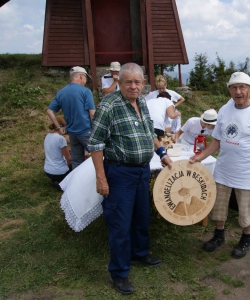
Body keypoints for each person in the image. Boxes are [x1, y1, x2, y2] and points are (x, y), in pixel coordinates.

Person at [87, 63, 173, 295]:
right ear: (120, 82)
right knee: (120, 223)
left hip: (142, 171)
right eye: (128, 82)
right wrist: (101, 178)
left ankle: (139, 253)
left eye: (138, 82)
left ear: (144, 84)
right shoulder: (109, 105)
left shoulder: (142, 103)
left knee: (141, 216)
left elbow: (149, 133)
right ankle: (119, 272)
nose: (133, 86)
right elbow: (95, 144)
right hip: (119, 173)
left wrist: (162, 154)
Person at [189, 72, 250, 259]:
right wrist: (200, 157)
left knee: (246, 212)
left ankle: (246, 239)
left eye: (242, 87)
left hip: (247, 173)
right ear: (229, 90)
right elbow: (216, 141)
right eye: (234, 87)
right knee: (218, 208)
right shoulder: (225, 110)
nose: (238, 91)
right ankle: (219, 235)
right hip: (223, 170)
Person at [47, 66, 95, 170]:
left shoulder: (61, 92)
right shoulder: (86, 91)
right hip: (86, 131)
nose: (86, 81)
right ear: (82, 76)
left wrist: (59, 127)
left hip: (72, 133)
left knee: (77, 161)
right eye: (86, 78)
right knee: (99, 157)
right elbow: (92, 113)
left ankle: (78, 184)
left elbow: (49, 111)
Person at [44, 116, 72, 186]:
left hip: (47, 171)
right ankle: (62, 183)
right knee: (78, 165)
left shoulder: (48, 136)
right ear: (62, 126)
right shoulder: (60, 139)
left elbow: (54, 150)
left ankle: (56, 181)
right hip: (60, 172)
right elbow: (69, 160)